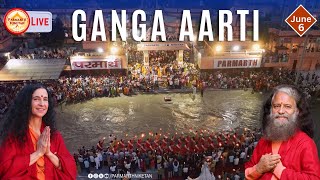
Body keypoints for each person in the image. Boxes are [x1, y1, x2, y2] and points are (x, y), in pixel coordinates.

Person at [0, 84, 77, 179]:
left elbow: (71, 168)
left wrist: (48, 153)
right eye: (36, 99)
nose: (42, 103)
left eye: (45, 99)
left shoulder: (54, 135)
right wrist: (38, 153)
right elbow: (5, 169)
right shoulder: (13, 135)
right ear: (26, 103)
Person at [245, 85, 320, 179]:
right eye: (276, 106)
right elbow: (247, 173)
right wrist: (258, 168)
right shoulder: (263, 141)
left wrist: (280, 170)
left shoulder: (306, 143)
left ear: (297, 111)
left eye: (287, 106)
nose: (280, 111)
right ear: (271, 110)